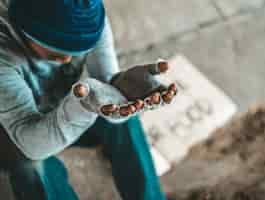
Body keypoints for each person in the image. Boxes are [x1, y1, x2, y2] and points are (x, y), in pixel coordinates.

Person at [0, 0, 177, 199]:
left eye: (76, 49)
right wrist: (82, 107)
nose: (67, 58)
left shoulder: (89, 20)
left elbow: (107, 83)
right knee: (34, 168)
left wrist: (121, 86)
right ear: (25, 28)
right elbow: (33, 145)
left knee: (124, 111)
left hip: (61, 108)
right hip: (14, 136)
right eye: (56, 49)